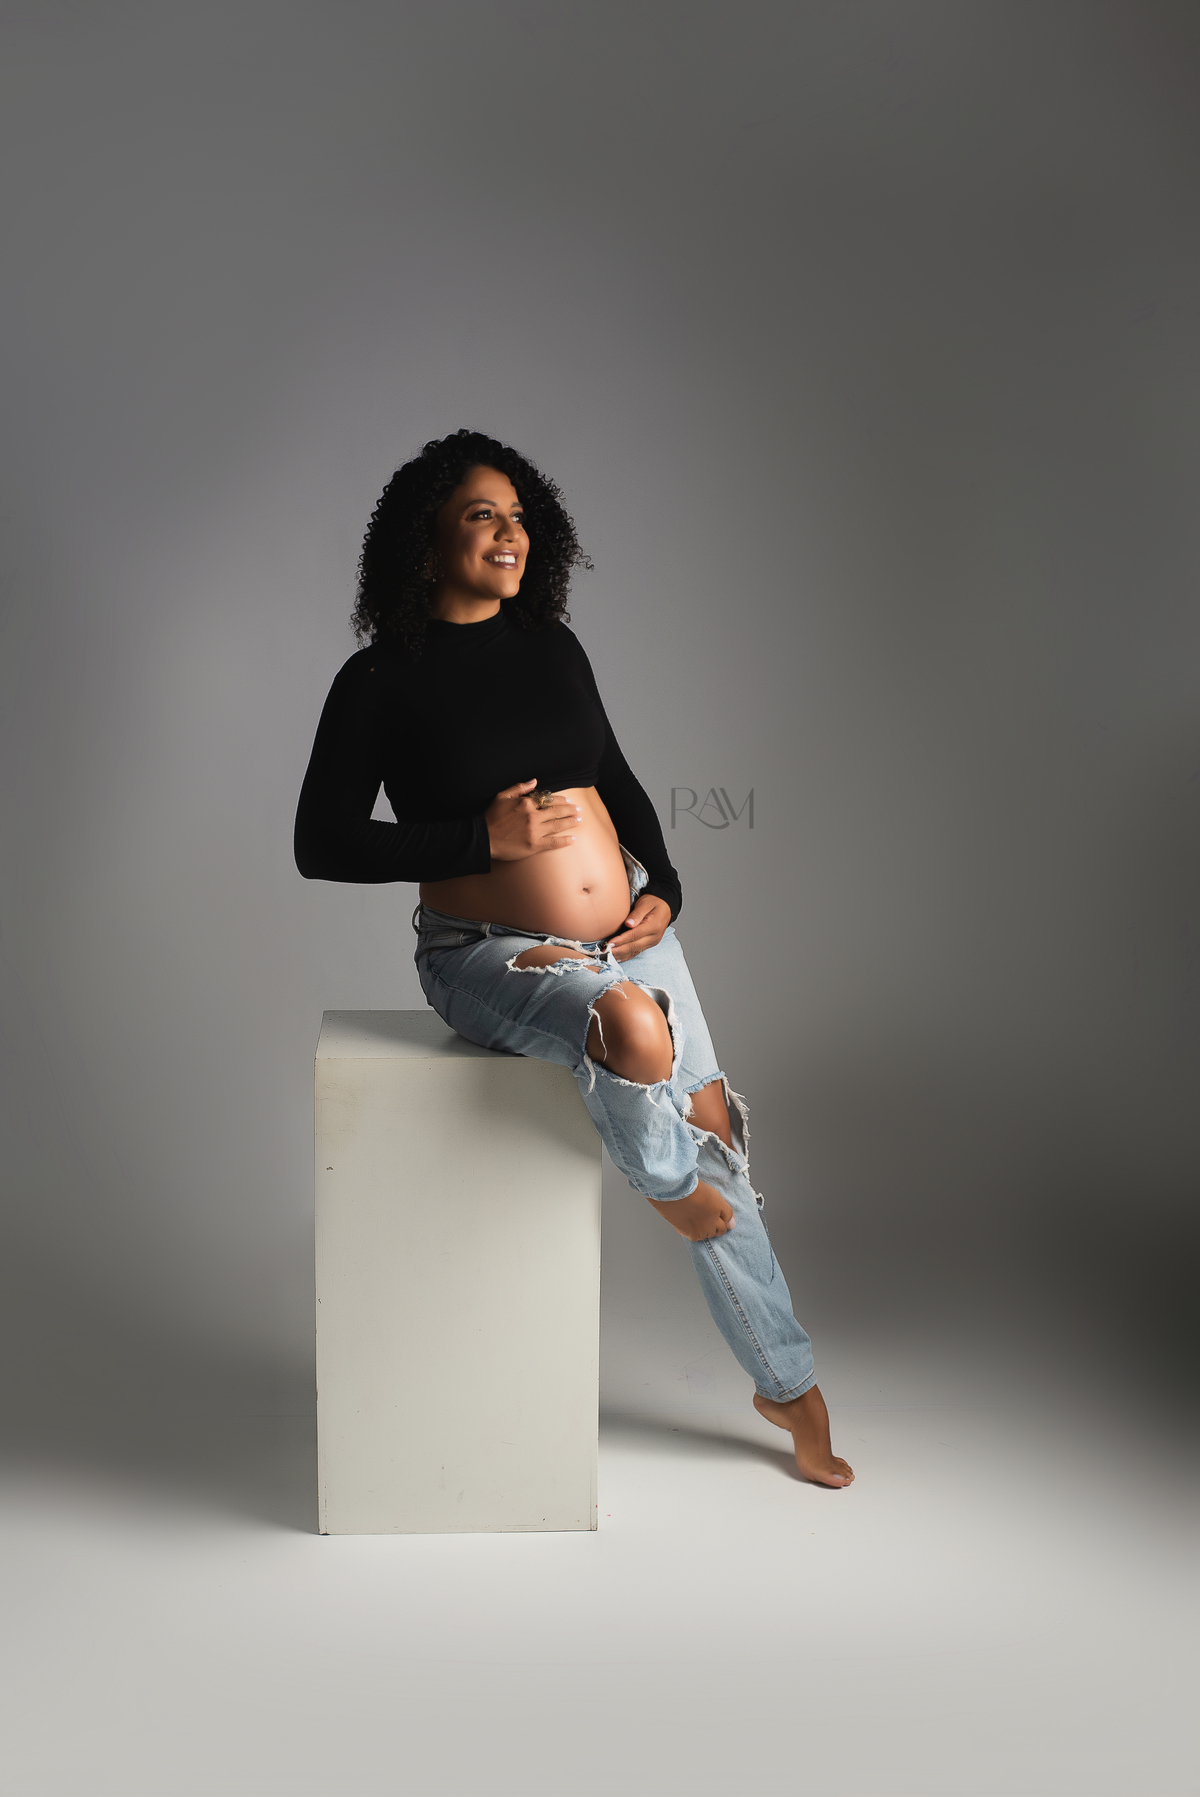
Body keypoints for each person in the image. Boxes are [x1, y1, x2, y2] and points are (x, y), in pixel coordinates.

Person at [294, 429, 853, 1488]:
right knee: (634, 1036)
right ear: (425, 540)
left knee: (717, 1123)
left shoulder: (551, 645)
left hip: (626, 932)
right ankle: (665, 1184)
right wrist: (477, 842)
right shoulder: (379, 680)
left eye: (518, 517)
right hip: (487, 951)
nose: (510, 535)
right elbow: (320, 842)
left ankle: (788, 1386)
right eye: (481, 516)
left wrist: (663, 885)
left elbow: (618, 780)